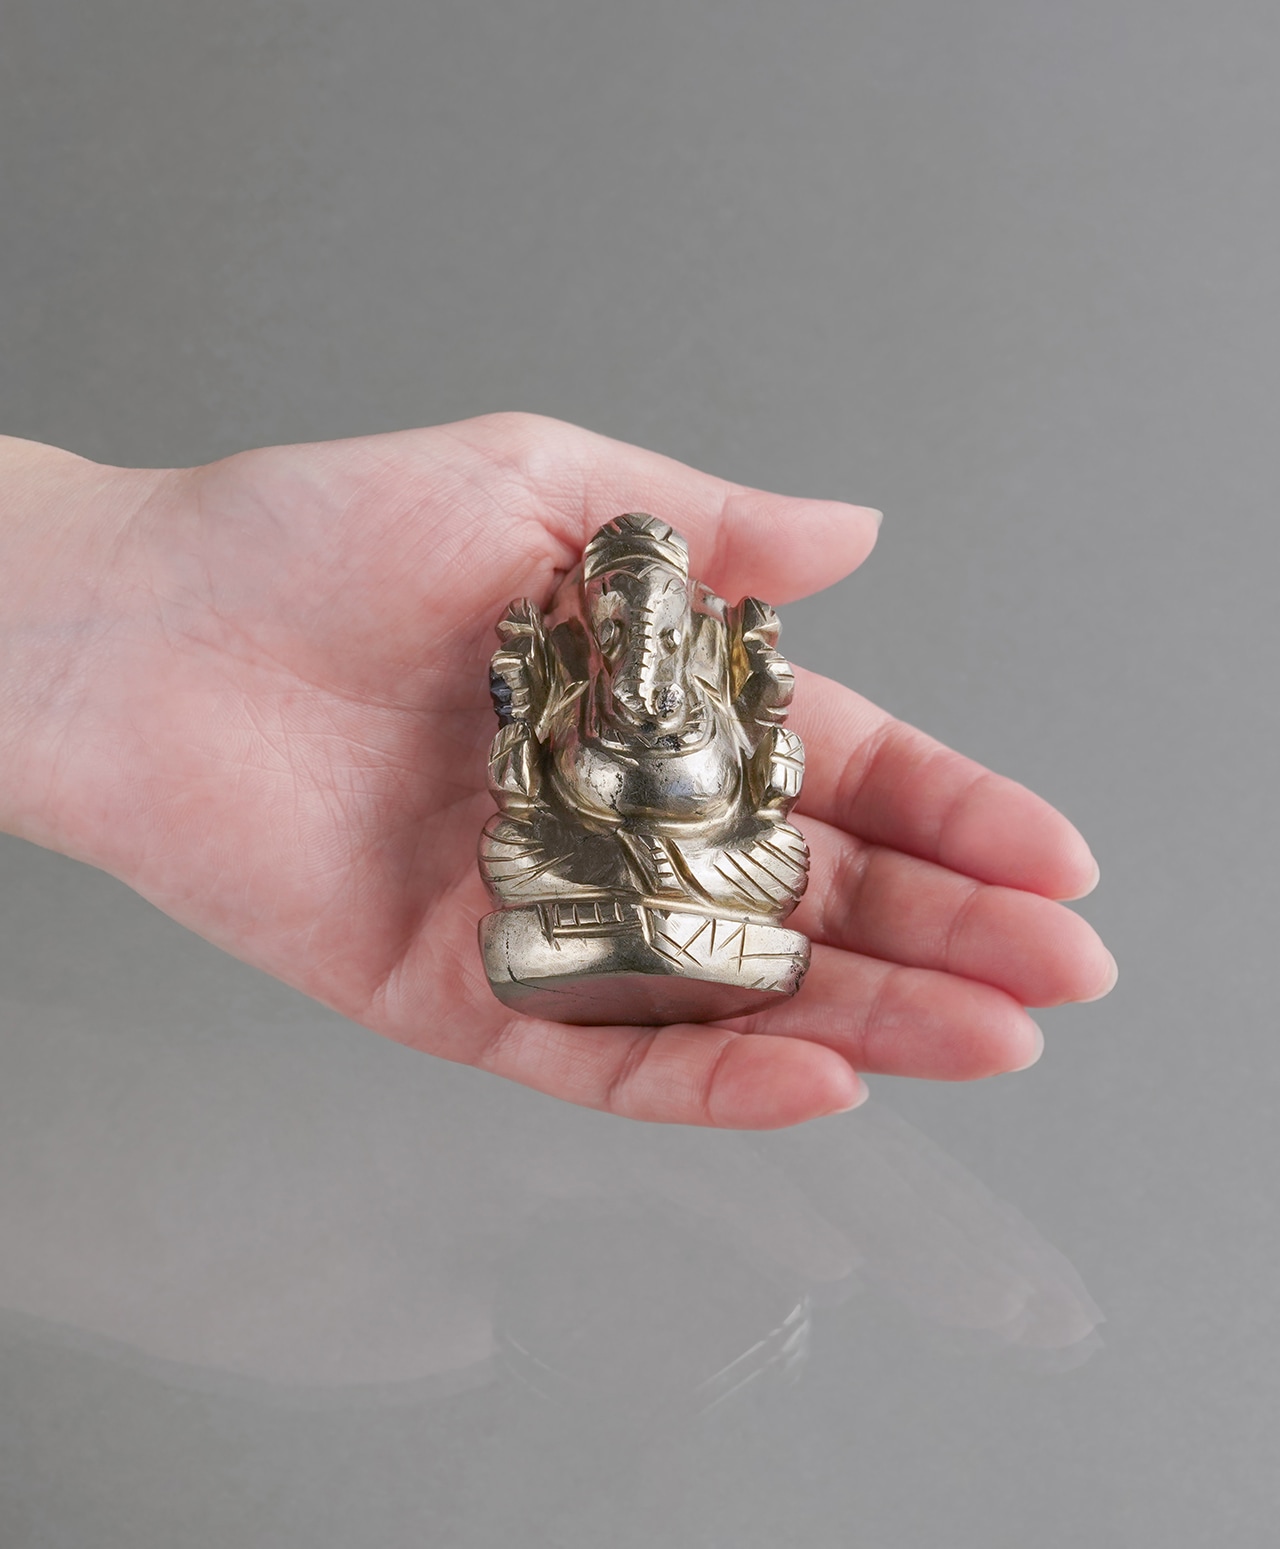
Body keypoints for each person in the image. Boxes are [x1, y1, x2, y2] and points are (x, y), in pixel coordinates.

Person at [0, 412, 1116, 1129]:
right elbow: (526, 784)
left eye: (654, 611)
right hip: (578, 846)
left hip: (709, 861)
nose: (637, 631)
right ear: (598, 614)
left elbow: (757, 793)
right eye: (617, 611)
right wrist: (525, 704)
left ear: (684, 614)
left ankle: (673, 931)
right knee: (514, 844)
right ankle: (637, 929)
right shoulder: (573, 671)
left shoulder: (715, 676)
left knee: (774, 859)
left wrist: (762, 727)